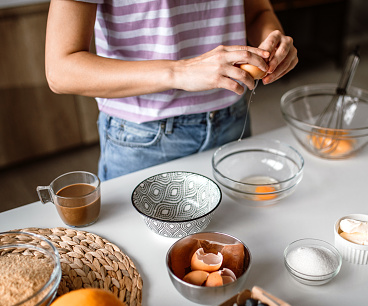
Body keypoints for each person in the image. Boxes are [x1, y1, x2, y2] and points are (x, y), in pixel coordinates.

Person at [45, 0, 298, 181]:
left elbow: (256, 11)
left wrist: (271, 41)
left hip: (232, 118)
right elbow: (60, 69)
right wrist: (181, 71)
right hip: (144, 138)